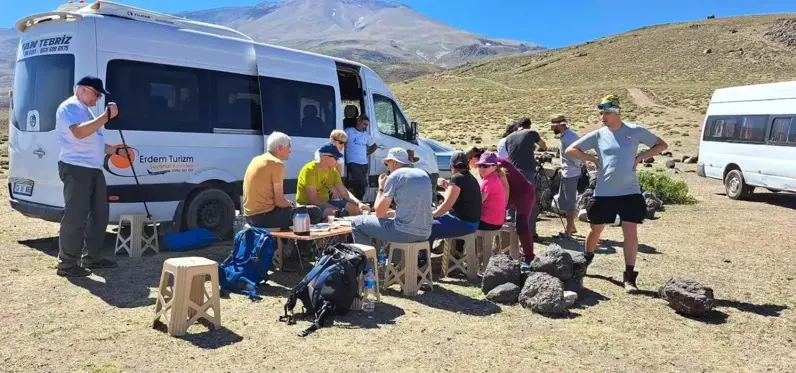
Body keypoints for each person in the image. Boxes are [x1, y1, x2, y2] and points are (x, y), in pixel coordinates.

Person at [565, 95, 668, 291]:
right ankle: (586, 261)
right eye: (601, 113)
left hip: (630, 191)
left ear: (617, 112)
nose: (602, 116)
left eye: (606, 112)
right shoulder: (598, 135)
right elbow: (571, 149)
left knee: (630, 232)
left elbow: (662, 145)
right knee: (596, 230)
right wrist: (591, 159)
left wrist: (642, 156)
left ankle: (629, 277)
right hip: (604, 192)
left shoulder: (635, 131)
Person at [55, 76, 128, 277]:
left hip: (93, 168)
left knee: (99, 214)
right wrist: (106, 117)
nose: (98, 99)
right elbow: (79, 133)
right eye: (97, 94)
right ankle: (67, 264)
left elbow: (91, 140)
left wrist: (114, 151)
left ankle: (92, 258)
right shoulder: (69, 107)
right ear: (83, 89)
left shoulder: (85, 110)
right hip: (76, 167)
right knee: (76, 216)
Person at [350, 148, 433, 245]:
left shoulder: (395, 176)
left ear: (394, 162)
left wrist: (381, 188)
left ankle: (366, 259)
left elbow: (379, 213)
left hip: (404, 232)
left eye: (387, 164)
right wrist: (393, 213)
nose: (387, 168)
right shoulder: (424, 174)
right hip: (426, 233)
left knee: (357, 222)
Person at [467, 147, 537, 262]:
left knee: (522, 223)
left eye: (469, 161)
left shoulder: (496, 164)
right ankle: (500, 250)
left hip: (523, 193)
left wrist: (503, 209)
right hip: (510, 194)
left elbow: (505, 187)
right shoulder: (485, 169)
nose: (472, 166)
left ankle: (529, 257)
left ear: (473, 158)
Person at [243, 131, 323, 229]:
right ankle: (303, 243)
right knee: (315, 211)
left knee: (294, 211)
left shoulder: (257, 159)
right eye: (289, 147)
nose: (290, 150)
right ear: (280, 148)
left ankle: (285, 242)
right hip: (264, 217)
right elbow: (279, 201)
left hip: (249, 216)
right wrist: (290, 205)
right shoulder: (276, 163)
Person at [296, 143, 368, 218]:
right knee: (332, 213)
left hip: (325, 202)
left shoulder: (333, 171)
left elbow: (344, 191)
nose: (337, 161)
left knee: (354, 209)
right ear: (324, 157)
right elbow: (314, 199)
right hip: (307, 205)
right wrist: (333, 208)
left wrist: (359, 203)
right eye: (336, 158)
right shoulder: (309, 170)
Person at [504, 117, 547, 240]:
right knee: (530, 202)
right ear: (529, 125)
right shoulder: (531, 133)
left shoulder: (509, 137)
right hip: (526, 172)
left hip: (511, 172)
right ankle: (531, 232)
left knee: (511, 202)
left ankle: (510, 231)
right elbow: (543, 145)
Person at [427, 151, 481, 245]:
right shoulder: (471, 178)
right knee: (432, 222)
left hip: (464, 223)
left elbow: (447, 204)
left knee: (425, 228)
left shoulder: (457, 178)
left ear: (451, 165)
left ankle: (423, 257)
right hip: (472, 222)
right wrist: (448, 187)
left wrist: (431, 215)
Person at [550, 114, 582, 238]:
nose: (552, 128)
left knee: (569, 202)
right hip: (568, 171)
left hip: (570, 173)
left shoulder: (568, 138)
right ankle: (572, 226)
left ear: (559, 125)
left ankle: (568, 232)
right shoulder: (568, 136)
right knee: (565, 200)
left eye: (553, 125)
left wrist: (574, 165)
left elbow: (577, 154)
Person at [344, 115, 377, 200]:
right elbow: (340, 140)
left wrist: (367, 153)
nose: (365, 126)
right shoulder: (348, 131)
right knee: (362, 183)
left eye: (367, 125)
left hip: (364, 163)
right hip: (353, 161)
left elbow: (374, 146)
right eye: (364, 124)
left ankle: (358, 201)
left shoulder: (366, 134)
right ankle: (358, 201)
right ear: (358, 121)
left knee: (360, 184)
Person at [475, 151, 507, 232]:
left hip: (488, 222)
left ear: (495, 167)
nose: (481, 168)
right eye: (480, 165)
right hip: (496, 222)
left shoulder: (489, 181)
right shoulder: (495, 177)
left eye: (485, 166)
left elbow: (478, 202)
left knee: (462, 224)